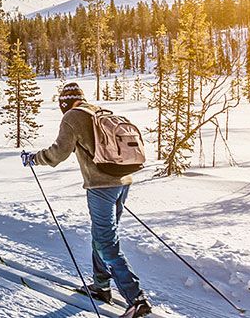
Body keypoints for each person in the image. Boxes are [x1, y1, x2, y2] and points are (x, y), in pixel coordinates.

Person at [21, 82, 152, 318]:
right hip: (122, 182)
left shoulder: (72, 117)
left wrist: (34, 158)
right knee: (101, 236)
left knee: (105, 242)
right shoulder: (99, 111)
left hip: (101, 186)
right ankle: (101, 287)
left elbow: (58, 153)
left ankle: (136, 298)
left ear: (64, 103)